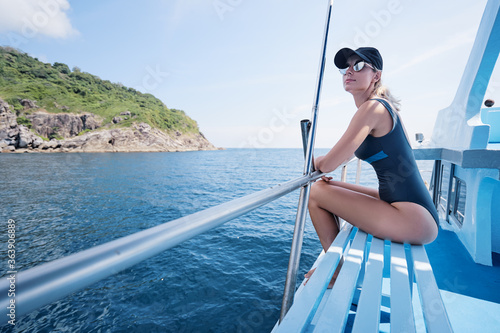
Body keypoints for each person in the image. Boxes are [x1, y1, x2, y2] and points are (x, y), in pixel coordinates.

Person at [305, 47, 439, 287]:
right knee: (331, 185)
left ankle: (335, 272)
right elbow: (344, 157)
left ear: (376, 75)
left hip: (414, 218)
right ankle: (334, 265)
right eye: (345, 67)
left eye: (358, 66)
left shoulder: (373, 108)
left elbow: (329, 163)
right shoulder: (382, 108)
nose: (349, 71)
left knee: (316, 193)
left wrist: (313, 162)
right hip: (403, 204)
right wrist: (329, 169)